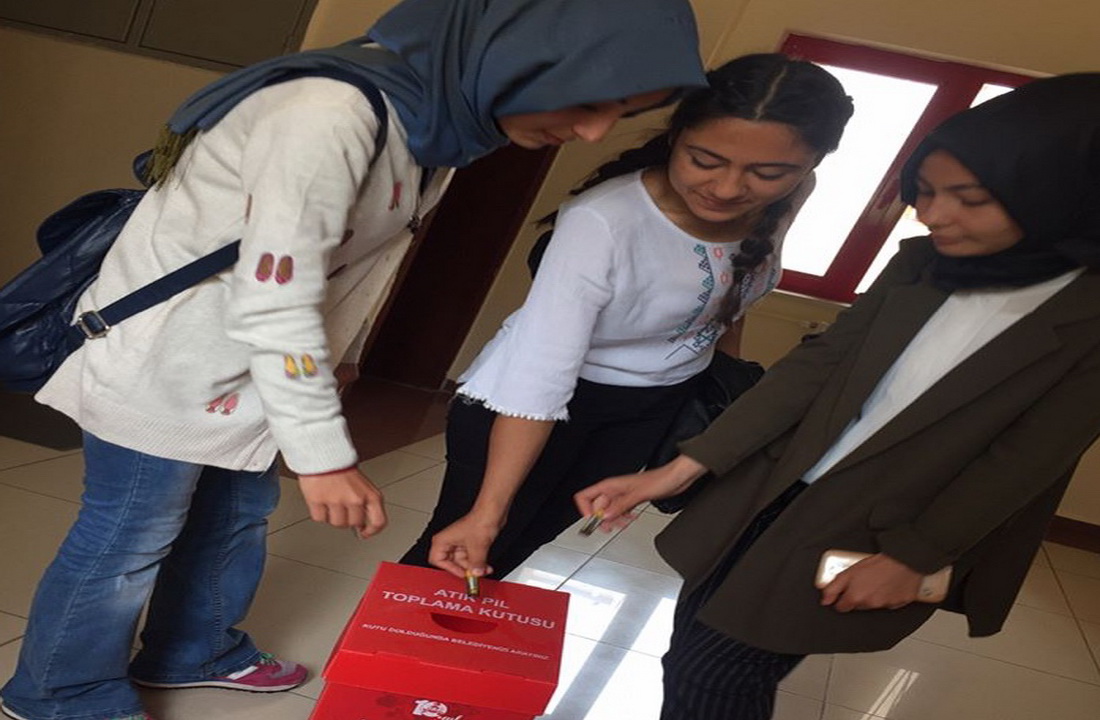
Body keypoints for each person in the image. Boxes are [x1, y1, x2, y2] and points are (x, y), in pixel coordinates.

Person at [0, 1, 707, 719]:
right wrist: (323, 456)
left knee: (237, 510)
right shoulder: (328, 114)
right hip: (170, 361)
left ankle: (192, 648)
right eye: (587, 102)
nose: (591, 132)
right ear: (514, 54)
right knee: (133, 531)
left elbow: (334, 268)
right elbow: (275, 299)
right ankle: (57, 690)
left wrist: (337, 364)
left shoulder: (432, 125)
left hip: (251, 367)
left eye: (618, 116)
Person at [574, 72, 1100, 720]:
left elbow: (1028, 458)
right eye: (926, 191)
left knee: (715, 673)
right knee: (691, 653)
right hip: (770, 489)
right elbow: (818, 366)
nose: (933, 215)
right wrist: (683, 468)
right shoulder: (921, 262)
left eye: (969, 198)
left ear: (1057, 193)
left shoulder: (1087, 317)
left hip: (874, 523)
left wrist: (914, 554)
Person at [403, 54, 854, 581]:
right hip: (536, 408)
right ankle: (385, 633)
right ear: (676, 134)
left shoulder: (792, 194)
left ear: (810, 164)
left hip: (649, 411)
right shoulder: (603, 222)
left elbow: (727, 297)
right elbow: (538, 377)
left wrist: (724, 385)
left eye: (768, 172)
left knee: (526, 541)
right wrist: (488, 510)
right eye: (705, 160)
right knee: (467, 548)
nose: (728, 188)